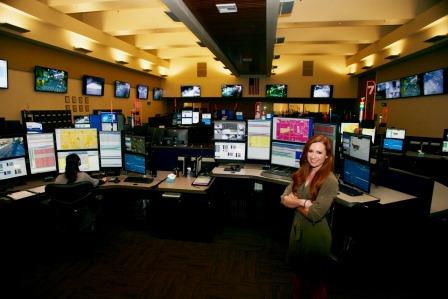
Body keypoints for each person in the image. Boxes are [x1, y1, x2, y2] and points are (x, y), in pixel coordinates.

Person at [280, 135, 338, 299]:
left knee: (315, 284)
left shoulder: (330, 181)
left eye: (319, 152)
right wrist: (304, 202)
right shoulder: (302, 173)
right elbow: (283, 198)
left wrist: (295, 201)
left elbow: (315, 214)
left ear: (327, 155)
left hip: (316, 236)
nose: (313, 156)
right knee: (298, 278)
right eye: (310, 151)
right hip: (298, 231)